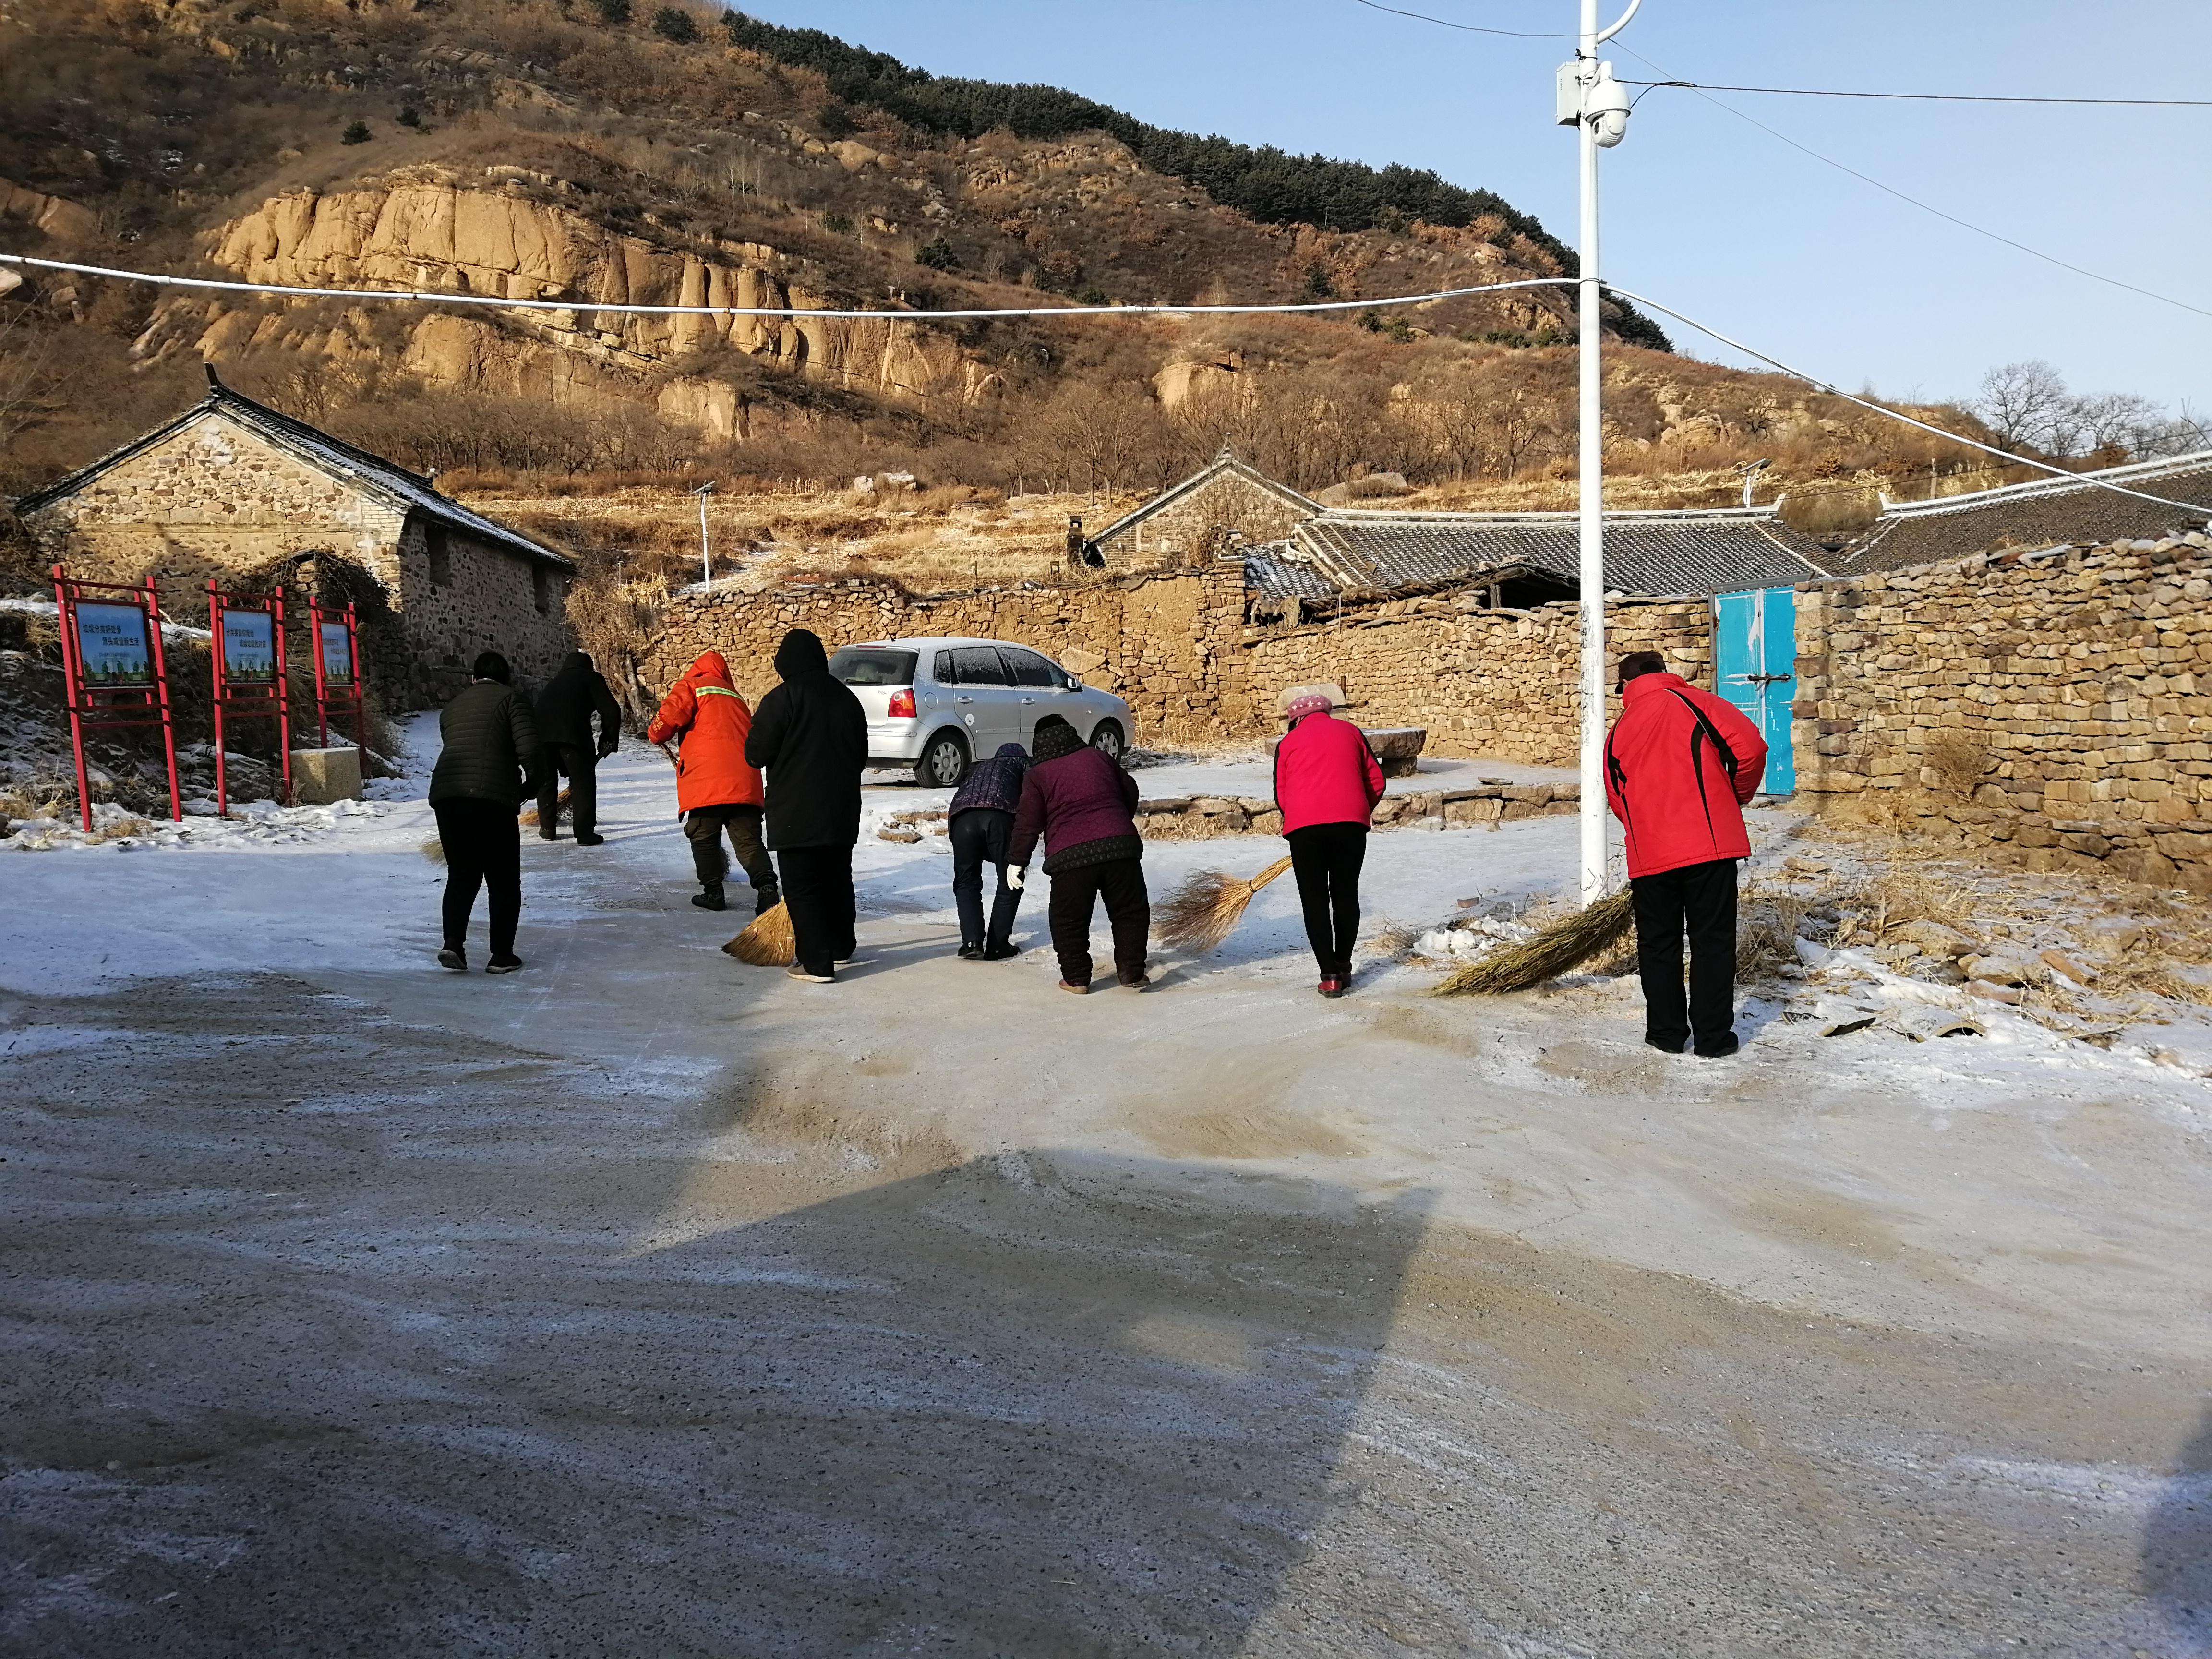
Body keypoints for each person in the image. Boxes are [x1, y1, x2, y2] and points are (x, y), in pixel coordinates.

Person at [1602, 649, 1769, 1058]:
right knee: (1712, 941)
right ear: (1665, 672)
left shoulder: (1618, 731)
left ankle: (1665, 1034)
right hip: (1710, 844)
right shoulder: (1699, 703)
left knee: (1658, 944)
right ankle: (1713, 1040)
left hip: (1651, 854)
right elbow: (1751, 750)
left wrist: (1648, 829)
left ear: (1624, 686)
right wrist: (1735, 797)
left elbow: (1616, 795)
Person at [744, 628, 867, 982]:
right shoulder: (848, 700)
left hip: (795, 814)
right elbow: (860, 756)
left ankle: (815, 963)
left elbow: (755, 754)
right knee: (838, 878)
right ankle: (841, 946)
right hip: (841, 811)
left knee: (804, 887)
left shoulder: (782, 699)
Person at [1008, 715, 1149, 994]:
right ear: (1070, 732)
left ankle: (1076, 979)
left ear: (1037, 742)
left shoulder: (1038, 774)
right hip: (1121, 847)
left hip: (1070, 856)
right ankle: (1132, 972)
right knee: (1129, 911)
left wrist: (1017, 861)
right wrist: (1118, 821)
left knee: (1069, 919)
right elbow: (1130, 790)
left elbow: (1028, 823)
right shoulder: (1098, 757)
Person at [427, 649, 540, 974]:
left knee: (462, 874)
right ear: (507, 679)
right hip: (491, 799)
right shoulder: (512, 700)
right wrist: (530, 788)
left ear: (473, 679)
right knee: (503, 878)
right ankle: (501, 956)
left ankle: (453, 944)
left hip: (447, 796)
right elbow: (530, 749)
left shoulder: (452, 707)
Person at [1272, 692, 1385, 998]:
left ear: (1295, 719)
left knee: (1315, 901)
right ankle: (1345, 964)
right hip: (1350, 826)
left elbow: (1281, 795)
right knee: (1346, 894)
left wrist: (1298, 818)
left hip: (1304, 830)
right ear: (1328, 712)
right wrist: (1359, 810)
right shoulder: (1351, 732)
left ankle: (1330, 975)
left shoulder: (1288, 744)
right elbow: (1377, 781)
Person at [648, 649, 779, 915]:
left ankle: (713, 892)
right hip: (745, 779)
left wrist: (654, 732)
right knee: (748, 840)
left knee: (703, 836)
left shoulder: (693, 686)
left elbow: (667, 722)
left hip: (707, 780)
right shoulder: (736, 697)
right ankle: (767, 889)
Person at [946, 741, 1030, 960]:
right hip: (1000, 817)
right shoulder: (1023, 766)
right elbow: (1033, 800)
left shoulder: (980, 766)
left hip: (962, 819)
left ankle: (972, 942)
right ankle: (998, 945)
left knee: (966, 881)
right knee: (1010, 881)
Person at [531, 649, 622, 846]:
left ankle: (547, 828)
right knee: (583, 782)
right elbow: (610, 709)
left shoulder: (556, 682)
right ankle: (585, 833)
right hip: (572, 737)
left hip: (540, 737)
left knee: (546, 781)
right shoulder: (590, 678)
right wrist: (608, 739)